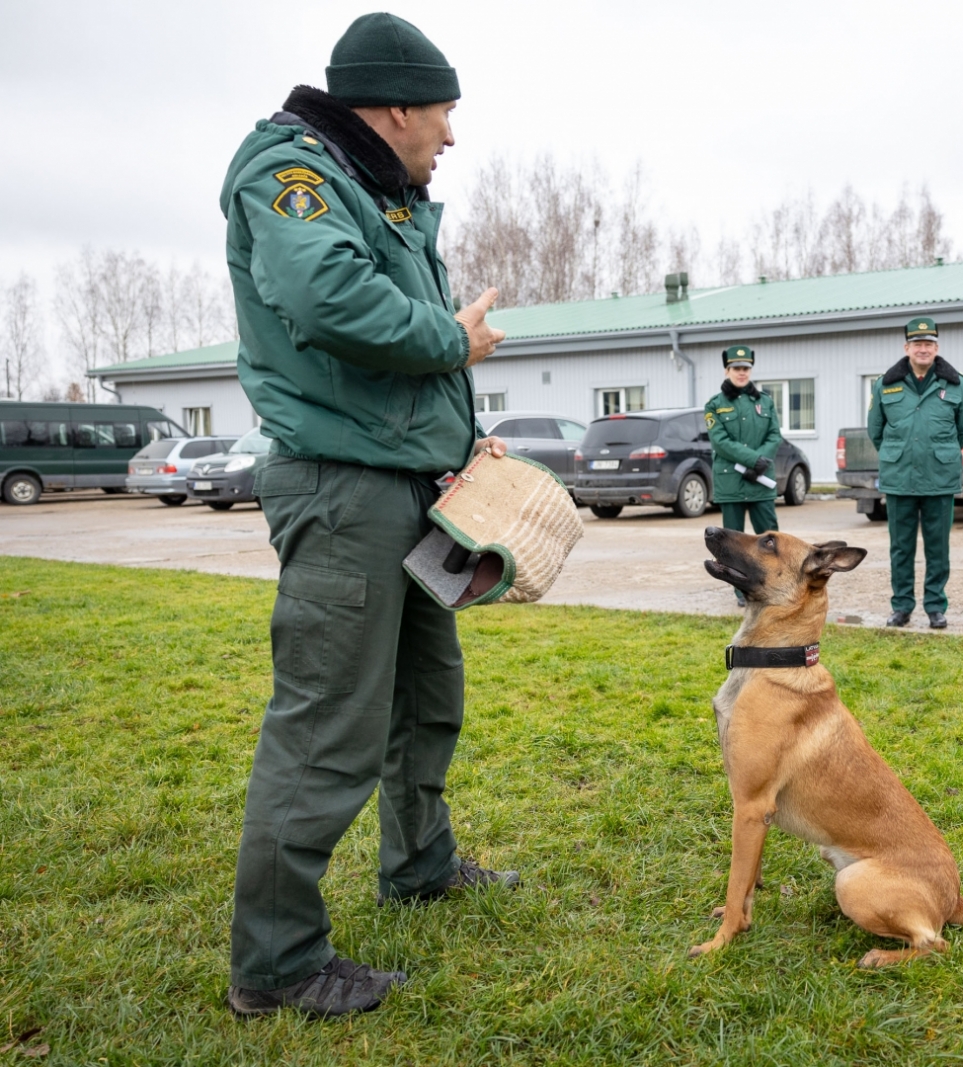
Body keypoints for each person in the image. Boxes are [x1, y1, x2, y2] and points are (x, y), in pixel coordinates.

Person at [221, 13, 516, 1018]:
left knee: (427, 697)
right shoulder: (290, 171)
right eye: (442, 114)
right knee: (326, 727)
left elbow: (382, 355)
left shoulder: (380, 192)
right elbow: (330, 300)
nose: (450, 134)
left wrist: (457, 445)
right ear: (393, 108)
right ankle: (277, 960)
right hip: (343, 492)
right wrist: (453, 341)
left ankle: (419, 862)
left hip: (407, 489)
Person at [867, 317, 963, 629]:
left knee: (937, 548)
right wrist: (899, 453)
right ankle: (901, 606)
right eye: (917, 344)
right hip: (900, 479)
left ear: (936, 348)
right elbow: (876, 431)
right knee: (901, 548)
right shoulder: (885, 384)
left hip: (939, 479)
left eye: (928, 344)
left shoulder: (956, 385)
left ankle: (935, 607)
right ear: (907, 347)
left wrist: (937, 452)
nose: (923, 349)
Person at [705, 344, 782, 606]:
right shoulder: (715, 405)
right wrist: (752, 459)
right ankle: (741, 592)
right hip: (732, 481)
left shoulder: (765, 402)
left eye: (746, 368)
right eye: (737, 368)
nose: (741, 373)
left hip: (760, 481)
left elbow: (774, 435)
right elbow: (720, 442)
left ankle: (775, 583)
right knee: (731, 541)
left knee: (771, 537)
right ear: (727, 370)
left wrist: (761, 461)